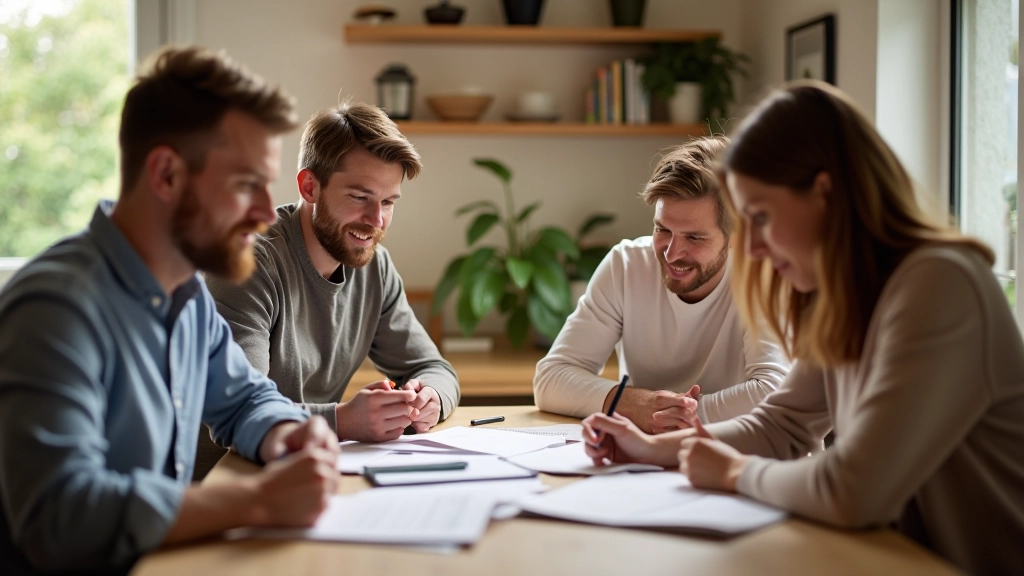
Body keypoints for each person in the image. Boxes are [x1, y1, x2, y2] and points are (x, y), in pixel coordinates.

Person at [582, 81, 1024, 574]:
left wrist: (736, 473)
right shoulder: (844, 291)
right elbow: (783, 426)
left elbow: (854, 491)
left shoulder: (940, 284)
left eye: (761, 218)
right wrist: (654, 448)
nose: (753, 249)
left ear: (824, 194)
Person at [0, 46, 341, 576]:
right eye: (245, 184)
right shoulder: (55, 309)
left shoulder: (186, 296)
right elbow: (60, 516)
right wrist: (255, 502)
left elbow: (243, 400)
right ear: (166, 175)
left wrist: (287, 431)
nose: (263, 212)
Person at [198, 100, 459, 474]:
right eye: (359, 197)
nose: (376, 220)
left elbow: (432, 367)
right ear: (310, 187)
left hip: (309, 473)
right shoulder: (245, 264)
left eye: (388, 202)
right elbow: (240, 409)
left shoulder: (375, 267)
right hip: (224, 484)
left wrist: (430, 397)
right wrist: (343, 421)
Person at [534, 137, 789, 433]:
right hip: (643, 453)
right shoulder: (626, 266)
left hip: (736, 453)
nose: (671, 254)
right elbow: (551, 379)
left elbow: (774, 392)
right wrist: (634, 404)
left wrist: (668, 415)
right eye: (663, 230)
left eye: (694, 237)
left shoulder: (764, 275)